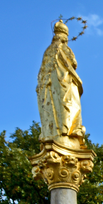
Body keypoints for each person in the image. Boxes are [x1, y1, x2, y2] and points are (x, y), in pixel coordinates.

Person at [36, 21, 86, 149]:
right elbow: (74, 63)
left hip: (49, 87)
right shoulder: (64, 48)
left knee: (53, 106)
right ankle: (68, 132)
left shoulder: (48, 51)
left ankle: (55, 132)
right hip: (65, 83)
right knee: (71, 105)